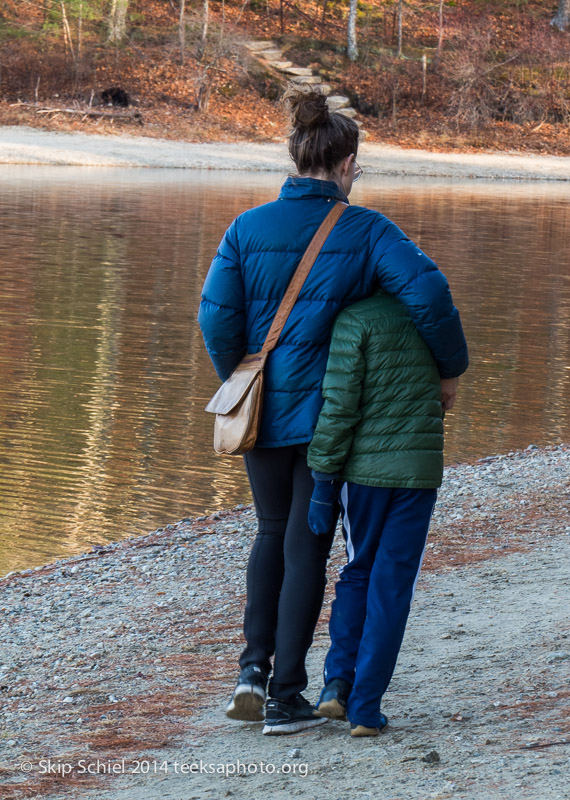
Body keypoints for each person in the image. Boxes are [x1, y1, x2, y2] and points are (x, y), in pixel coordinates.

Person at [198, 85, 468, 736]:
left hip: (261, 411)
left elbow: (215, 316)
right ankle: (287, 694)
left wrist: (244, 375)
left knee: (270, 531)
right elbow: (428, 293)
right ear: (347, 164)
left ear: (297, 159)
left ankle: (251, 674)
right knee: (306, 543)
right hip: (328, 417)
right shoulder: (368, 231)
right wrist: (449, 369)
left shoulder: (246, 227)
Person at [306, 287, 447, 736]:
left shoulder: (355, 319)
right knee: (393, 588)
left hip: (364, 474)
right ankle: (365, 709)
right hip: (418, 471)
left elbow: (340, 405)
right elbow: (450, 384)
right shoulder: (434, 317)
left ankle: (335, 686)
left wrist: (323, 475)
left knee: (357, 571)